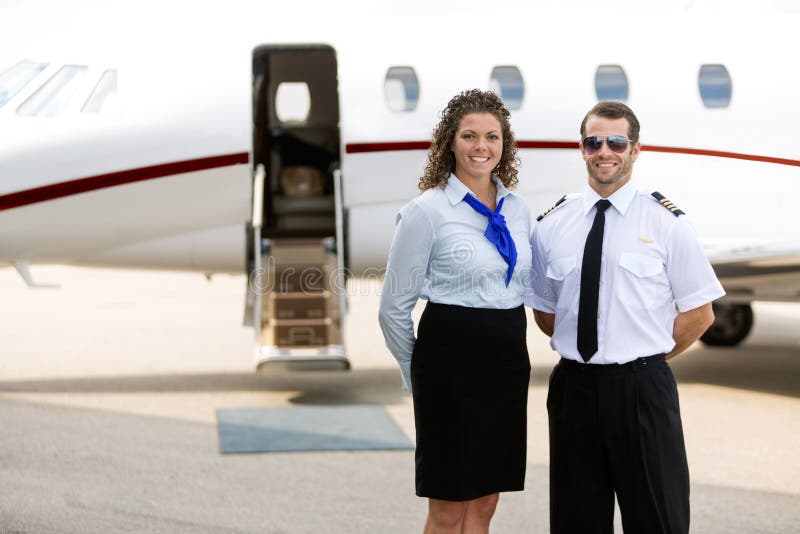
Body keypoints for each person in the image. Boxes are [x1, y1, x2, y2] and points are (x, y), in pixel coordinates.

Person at [528, 101, 725, 534]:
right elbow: (546, 311)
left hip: (642, 390)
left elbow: (700, 313)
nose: (605, 151)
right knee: (576, 522)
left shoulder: (667, 223)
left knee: (658, 519)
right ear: (582, 149)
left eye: (617, 142)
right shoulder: (551, 225)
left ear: (635, 150)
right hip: (574, 390)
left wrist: (642, 354)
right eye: (593, 142)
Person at [378, 89, 532, 534]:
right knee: (447, 508)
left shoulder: (518, 210)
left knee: (485, 502)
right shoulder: (427, 212)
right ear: (450, 142)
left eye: (492, 137)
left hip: (507, 363)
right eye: (469, 136)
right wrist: (419, 371)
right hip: (449, 368)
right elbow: (393, 309)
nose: (481, 146)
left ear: (504, 145)